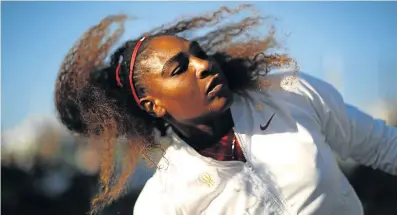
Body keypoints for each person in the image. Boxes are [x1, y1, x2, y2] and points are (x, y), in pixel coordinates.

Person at [54, 5, 397, 215]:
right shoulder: (162, 201)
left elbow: (384, 146)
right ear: (153, 105)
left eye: (199, 53)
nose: (203, 65)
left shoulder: (288, 94)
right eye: (179, 69)